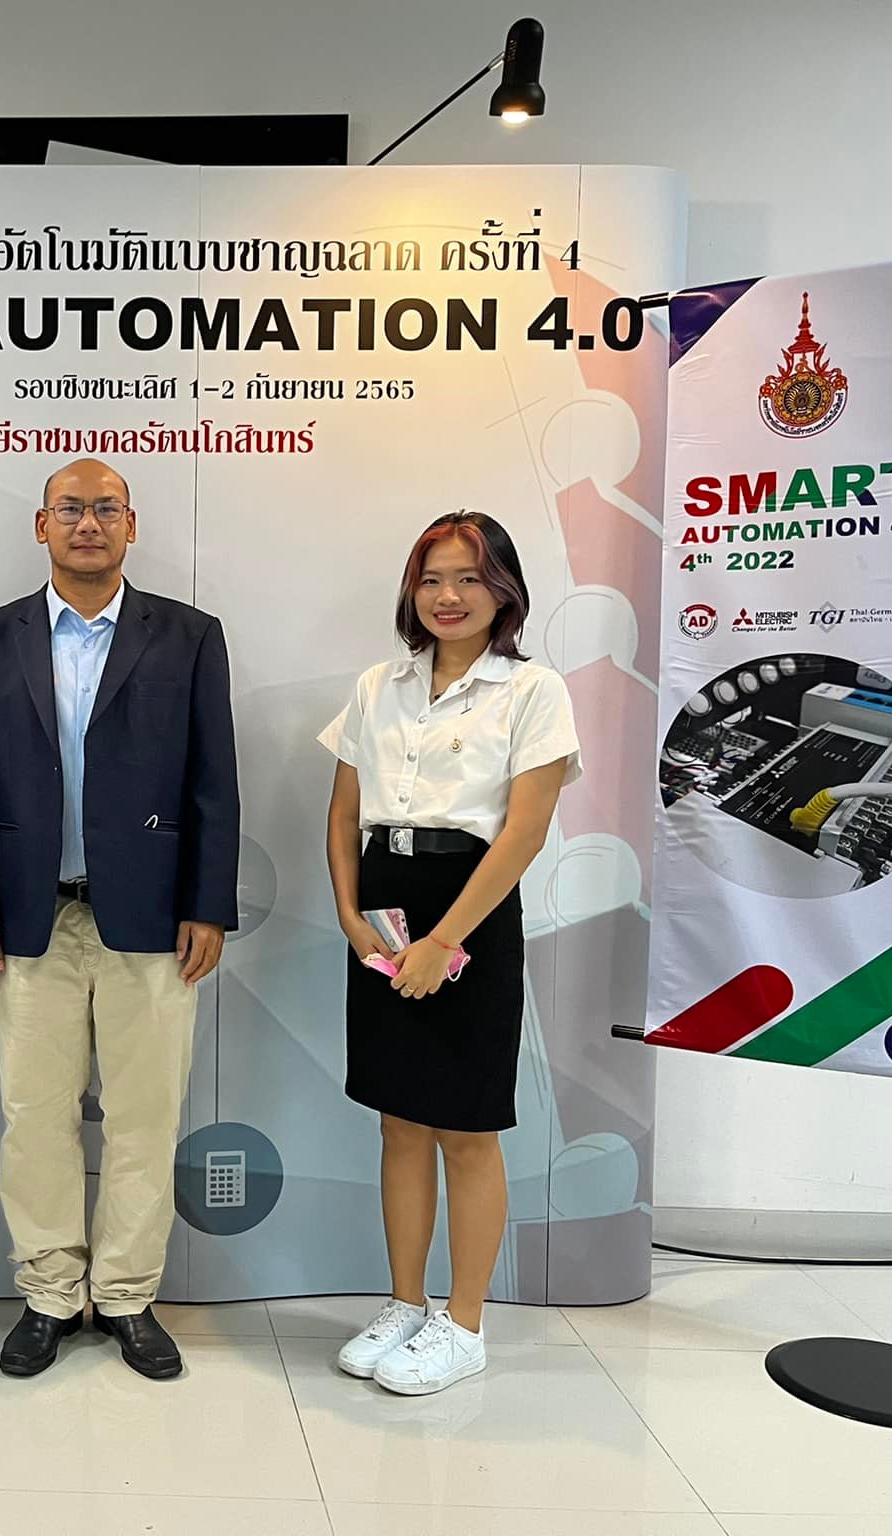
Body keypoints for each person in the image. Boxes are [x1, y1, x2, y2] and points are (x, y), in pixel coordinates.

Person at [0, 458, 240, 1381]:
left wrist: (207, 904)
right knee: (34, 1117)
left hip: (153, 919)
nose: (87, 523)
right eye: (69, 508)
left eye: (105, 508)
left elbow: (214, 782)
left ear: (131, 524)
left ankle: (126, 1296)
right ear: (41, 526)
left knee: (145, 1115)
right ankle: (48, 1295)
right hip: (29, 919)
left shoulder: (189, 637)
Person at [324, 510, 580, 1396]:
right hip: (383, 904)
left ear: (502, 590)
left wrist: (444, 940)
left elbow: (523, 833)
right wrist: (349, 912)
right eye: (432, 578)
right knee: (400, 1119)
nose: (448, 595)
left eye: (469, 578)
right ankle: (405, 1303)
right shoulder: (378, 686)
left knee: (466, 1127)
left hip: (470, 906)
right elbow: (344, 812)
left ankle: (463, 1324)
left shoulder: (534, 690)